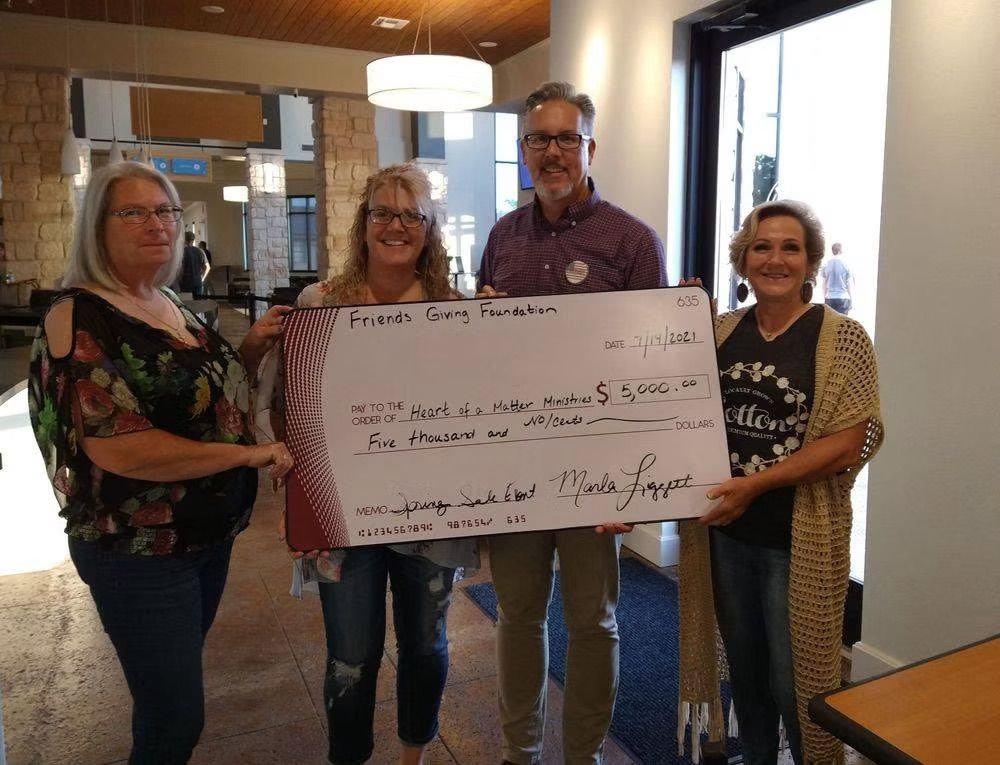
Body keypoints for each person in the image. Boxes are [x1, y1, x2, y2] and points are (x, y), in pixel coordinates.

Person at [27, 160, 294, 764]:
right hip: (137, 549)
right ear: (98, 226)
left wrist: (253, 347)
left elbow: (212, 398)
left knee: (166, 697)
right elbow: (121, 445)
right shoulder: (79, 315)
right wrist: (251, 454)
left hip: (205, 537)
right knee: (174, 719)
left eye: (167, 211)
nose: (158, 224)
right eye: (134, 212)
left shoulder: (167, 301)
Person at [477, 81, 666, 765]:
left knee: (593, 620)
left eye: (566, 138)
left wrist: (635, 484)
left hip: (598, 472)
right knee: (518, 615)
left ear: (591, 146)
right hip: (518, 467)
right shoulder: (502, 237)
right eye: (539, 139)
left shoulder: (632, 240)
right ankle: (520, 752)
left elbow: (654, 370)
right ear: (524, 148)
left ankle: (583, 755)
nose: (552, 152)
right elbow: (480, 361)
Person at [269, 163, 479, 765]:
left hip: (433, 513)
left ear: (430, 230)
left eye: (412, 215)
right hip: (341, 513)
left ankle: (414, 756)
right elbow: (291, 412)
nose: (396, 225)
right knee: (351, 656)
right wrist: (296, 501)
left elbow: (482, 411)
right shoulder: (318, 304)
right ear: (363, 224)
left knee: (426, 646)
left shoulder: (456, 310)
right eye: (383, 212)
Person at [677, 201, 883, 765]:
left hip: (796, 540)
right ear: (743, 260)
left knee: (795, 679)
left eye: (790, 247)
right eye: (761, 247)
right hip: (726, 535)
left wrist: (756, 485)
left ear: (811, 260)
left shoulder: (842, 338)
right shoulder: (719, 331)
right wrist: (675, 324)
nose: (775, 259)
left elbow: (847, 443)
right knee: (745, 669)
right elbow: (671, 407)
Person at [820, 242, 853, 314]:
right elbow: (849, 284)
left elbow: (824, 284)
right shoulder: (846, 264)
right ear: (840, 251)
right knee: (842, 321)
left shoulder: (826, 265)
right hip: (843, 298)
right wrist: (851, 300)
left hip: (829, 298)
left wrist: (824, 298)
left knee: (830, 321)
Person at [179, 231, 209, 297]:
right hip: (198, 281)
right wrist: (202, 278)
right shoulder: (200, 251)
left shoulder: (182, 252)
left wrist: (179, 279)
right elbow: (206, 267)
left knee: (187, 302)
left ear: (184, 240)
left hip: (186, 282)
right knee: (198, 301)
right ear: (193, 239)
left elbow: (180, 269)